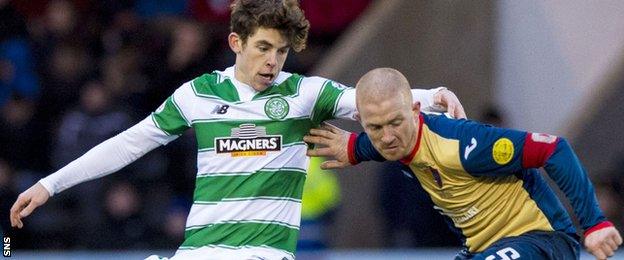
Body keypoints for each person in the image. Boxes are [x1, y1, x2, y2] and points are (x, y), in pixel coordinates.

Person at [9, 1, 466, 259]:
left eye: (282, 51)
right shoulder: (198, 95)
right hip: (200, 253)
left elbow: (370, 100)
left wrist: (433, 94)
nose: (273, 61)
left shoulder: (304, 94)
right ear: (235, 43)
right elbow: (130, 143)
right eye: (263, 48)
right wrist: (50, 184)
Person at [303, 68, 622, 259]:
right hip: (485, 248)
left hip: (542, 241)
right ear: (361, 121)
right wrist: (355, 148)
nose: (387, 136)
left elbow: (554, 149)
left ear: (416, 110)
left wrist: (594, 222)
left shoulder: (463, 144)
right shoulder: (390, 142)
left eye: (395, 122)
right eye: (375, 127)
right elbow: (381, 144)